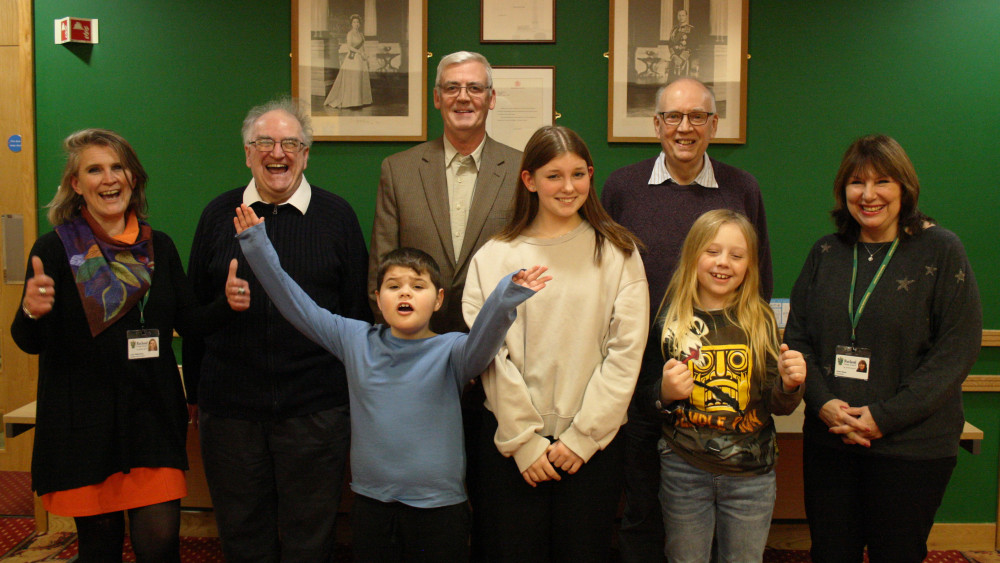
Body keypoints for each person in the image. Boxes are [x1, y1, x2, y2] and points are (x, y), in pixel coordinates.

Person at [231, 203, 548, 561]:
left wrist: (505, 297)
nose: (405, 293)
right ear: (378, 298)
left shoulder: (452, 350)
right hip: (372, 505)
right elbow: (297, 305)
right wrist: (257, 246)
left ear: (439, 299)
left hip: (440, 510)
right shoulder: (355, 340)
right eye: (393, 286)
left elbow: (483, 344)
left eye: (418, 285)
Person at [11, 129, 238, 562]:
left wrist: (226, 305)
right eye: (94, 169)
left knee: (161, 547)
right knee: (100, 548)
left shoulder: (161, 246)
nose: (108, 178)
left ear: (133, 178)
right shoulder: (55, 250)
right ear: (76, 184)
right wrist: (31, 312)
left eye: (118, 167)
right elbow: (29, 342)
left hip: (151, 420)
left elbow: (190, 322)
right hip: (83, 427)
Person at [183, 98, 371, 562]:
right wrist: (196, 398)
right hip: (230, 413)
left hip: (316, 411)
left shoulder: (337, 217)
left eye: (290, 142)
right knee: (243, 535)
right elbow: (191, 317)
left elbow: (358, 317)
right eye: (264, 142)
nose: (277, 152)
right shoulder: (216, 216)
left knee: (311, 538)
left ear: (306, 153)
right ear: (248, 153)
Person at [783, 134, 982, 563]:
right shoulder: (825, 252)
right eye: (857, 182)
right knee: (831, 553)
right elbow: (797, 339)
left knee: (899, 553)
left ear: (904, 188)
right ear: (844, 190)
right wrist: (824, 404)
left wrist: (882, 417)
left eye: (883, 182)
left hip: (912, 448)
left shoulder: (941, 249)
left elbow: (956, 350)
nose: (869, 195)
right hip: (831, 441)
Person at [601, 76, 772, 562]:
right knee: (643, 509)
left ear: (714, 125)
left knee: (709, 519)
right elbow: (605, 278)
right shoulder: (623, 187)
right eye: (673, 116)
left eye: (697, 116)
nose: (684, 127)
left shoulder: (742, 188)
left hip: (719, 385)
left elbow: (759, 281)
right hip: (640, 380)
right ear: (656, 124)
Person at [463, 125, 649, 562]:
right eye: (553, 176)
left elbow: (625, 354)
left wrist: (582, 438)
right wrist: (525, 443)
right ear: (529, 180)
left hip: (592, 448)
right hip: (511, 446)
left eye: (578, 174)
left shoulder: (618, 253)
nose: (568, 187)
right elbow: (489, 356)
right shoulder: (494, 257)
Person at [368, 50, 521, 556]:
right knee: (427, 515)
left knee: (495, 501)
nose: (464, 97)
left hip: (499, 366)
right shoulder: (399, 169)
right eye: (452, 87)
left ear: (491, 98)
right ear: (437, 98)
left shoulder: (521, 170)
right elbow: (383, 269)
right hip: (419, 373)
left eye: (475, 88)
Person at [645, 209, 805, 562]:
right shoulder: (669, 317)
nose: (724, 263)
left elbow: (776, 403)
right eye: (713, 251)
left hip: (751, 475)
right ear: (692, 255)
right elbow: (644, 395)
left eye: (737, 255)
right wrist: (664, 392)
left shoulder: (759, 318)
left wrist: (790, 385)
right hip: (683, 468)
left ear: (750, 264)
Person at [324, 14, 372, 109]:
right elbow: (349, 47)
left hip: (361, 59)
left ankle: (361, 101)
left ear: (360, 24)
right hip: (353, 58)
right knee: (354, 79)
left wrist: (365, 56)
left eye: (357, 22)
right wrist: (359, 52)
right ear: (351, 24)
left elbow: (363, 47)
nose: (356, 24)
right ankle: (352, 102)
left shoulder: (361, 34)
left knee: (360, 78)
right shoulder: (350, 34)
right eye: (354, 22)